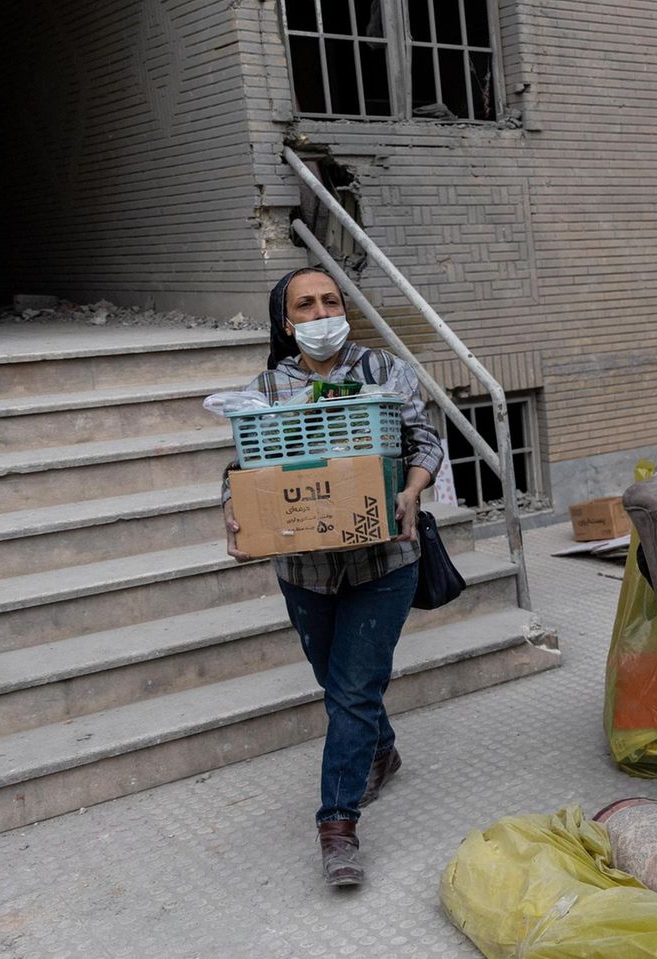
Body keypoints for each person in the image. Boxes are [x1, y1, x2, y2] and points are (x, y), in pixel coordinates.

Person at [221, 267, 443, 885]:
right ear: (287, 322)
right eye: (307, 305)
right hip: (303, 567)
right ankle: (381, 750)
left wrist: (412, 491)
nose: (323, 313)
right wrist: (237, 516)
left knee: (350, 691)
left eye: (331, 300)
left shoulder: (385, 372)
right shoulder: (265, 388)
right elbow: (242, 468)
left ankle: (337, 826)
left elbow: (425, 440)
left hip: (385, 561)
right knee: (339, 681)